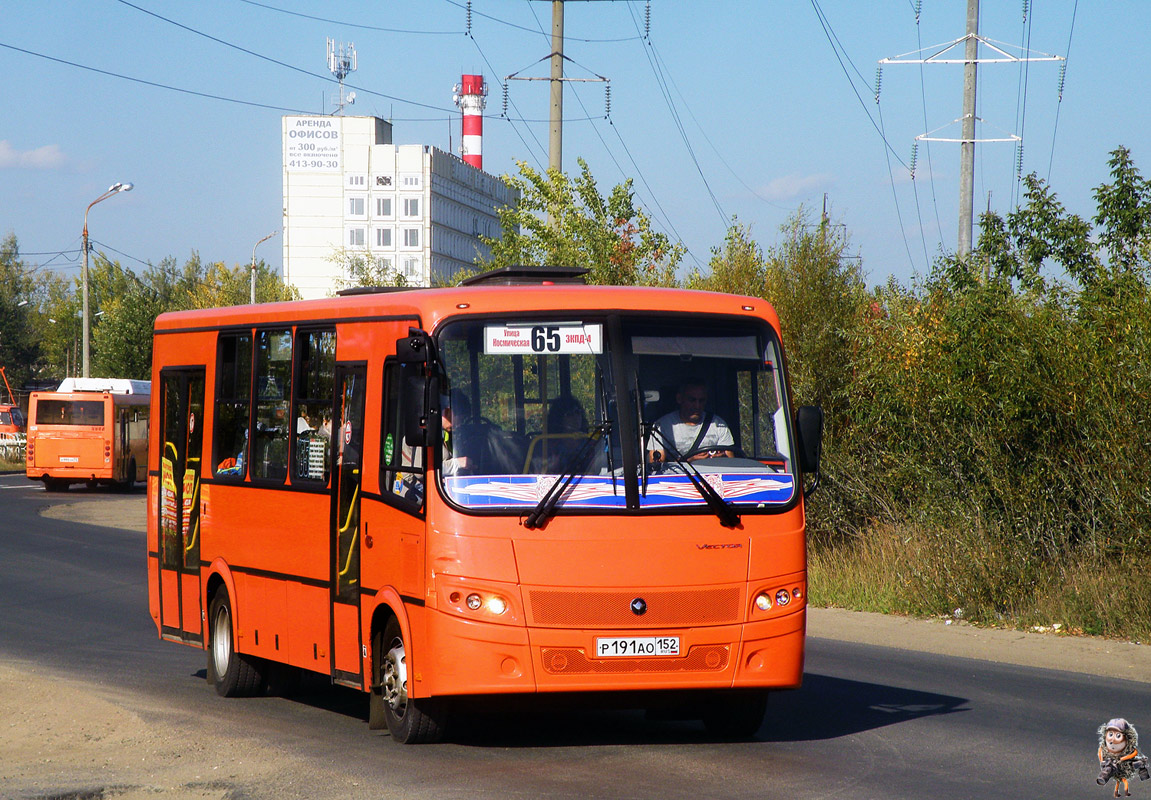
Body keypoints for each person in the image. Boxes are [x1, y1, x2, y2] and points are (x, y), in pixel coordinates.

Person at [649, 378, 734, 462]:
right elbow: (655, 466)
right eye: (692, 400)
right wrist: (689, 461)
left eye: (701, 401)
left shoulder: (718, 424)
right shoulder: (662, 426)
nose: (697, 406)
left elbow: (731, 462)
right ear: (679, 399)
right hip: (679, 475)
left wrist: (721, 458)